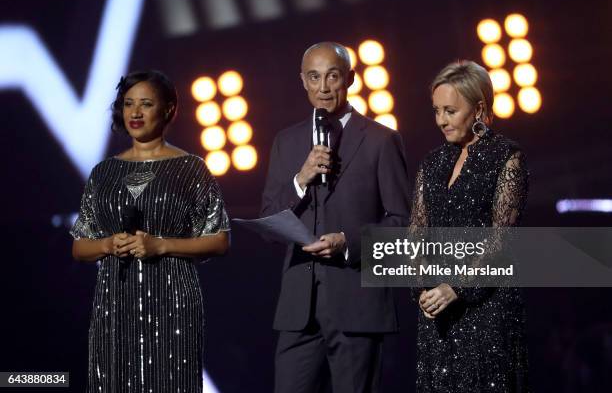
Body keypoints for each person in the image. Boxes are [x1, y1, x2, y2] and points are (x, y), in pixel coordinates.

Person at [260, 42, 411, 393]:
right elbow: (268, 219)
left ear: (351, 78)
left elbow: (403, 224)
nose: (324, 87)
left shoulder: (380, 140)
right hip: (298, 309)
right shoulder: (286, 142)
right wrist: (301, 178)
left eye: (332, 76)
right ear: (303, 81)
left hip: (356, 304)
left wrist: (349, 243)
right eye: (314, 77)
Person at [70, 70, 230, 392]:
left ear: (168, 109)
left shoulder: (191, 168)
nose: (136, 113)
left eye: (146, 104)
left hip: (173, 304)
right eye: (129, 104)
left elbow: (220, 240)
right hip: (114, 304)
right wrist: (107, 244)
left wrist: (161, 246)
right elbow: (79, 247)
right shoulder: (103, 173)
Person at [410, 60, 529, 392]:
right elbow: (417, 232)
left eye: (450, 110)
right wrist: (422, 287)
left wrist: (456, 288)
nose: (441, 120)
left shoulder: (506, 157)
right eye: (436, 111)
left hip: (486, 310)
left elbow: (501, 241)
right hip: (436, 311)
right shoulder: (432, 162)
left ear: (478, 109)